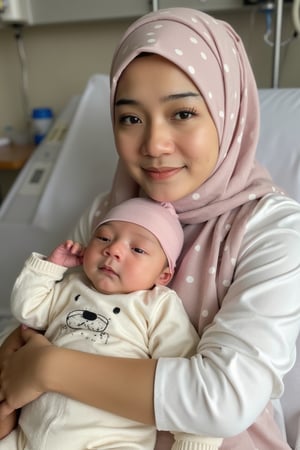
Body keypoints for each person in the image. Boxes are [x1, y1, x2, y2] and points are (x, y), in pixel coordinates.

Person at [1, 6, 300, 450]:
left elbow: (223, 399)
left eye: (182, 114)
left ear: (229, 113)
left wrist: (48, 370)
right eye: (131, 118)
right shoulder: (110, 212)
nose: (154, 145)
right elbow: (35, 322)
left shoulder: (273, 229)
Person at [0, 197, 222, 449]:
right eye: (104, 238)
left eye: (137, 249)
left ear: (163, 275)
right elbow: (27, 310)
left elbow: (184, 384)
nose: (113, 250)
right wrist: (50, 268)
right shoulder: (71, 286)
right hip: (28, 435)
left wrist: (194, 442)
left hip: (108, 441)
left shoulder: (157, 306)